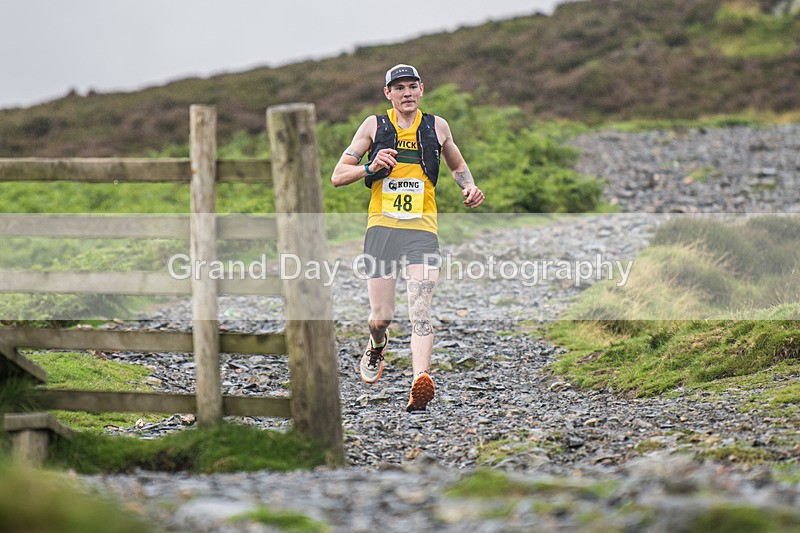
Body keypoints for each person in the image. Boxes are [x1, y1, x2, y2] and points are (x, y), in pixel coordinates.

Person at [331, 64, 485, 412]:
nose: (406, 93)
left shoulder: (437, 126)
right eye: (398, 88)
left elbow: (457, 166)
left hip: (422, 230)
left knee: (420, 309)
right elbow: (337, 176)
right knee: (381, 316)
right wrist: (369, 168)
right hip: (382, 229)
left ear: (422, 89)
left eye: (412, 86)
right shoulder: (374, 125)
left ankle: (420, 380)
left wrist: (470, 186)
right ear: (388, 93)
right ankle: (376, 344)